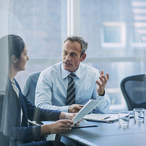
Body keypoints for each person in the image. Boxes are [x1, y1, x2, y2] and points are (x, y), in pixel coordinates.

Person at [0, 34, 76, 146]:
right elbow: (9, 131)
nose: (28, 58)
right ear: (14, 58)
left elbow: (32, 110)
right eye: (25, 54)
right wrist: (48, 128)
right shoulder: (2, 89)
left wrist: (64, 115)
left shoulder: (12, 83)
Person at [35, 36, 110, 114]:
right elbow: (41, 107)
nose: (67, 58)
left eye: (73, 55)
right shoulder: (48, 75)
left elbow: (104, 110)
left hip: (86, 123)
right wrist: (67, 110)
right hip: (56, 122)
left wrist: (101, 94)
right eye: (65, 53)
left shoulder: (93, 74)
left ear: (83, 57)